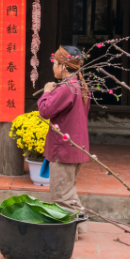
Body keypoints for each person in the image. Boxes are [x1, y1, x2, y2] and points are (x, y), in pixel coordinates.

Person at [38, 45, 91, 237]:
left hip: (65, 149)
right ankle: (81, 229)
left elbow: (45, 111)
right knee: (68, 192)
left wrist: (46, 91)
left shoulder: (67, 88)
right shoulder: (80, 86)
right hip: (77, 147)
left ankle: (67, 236)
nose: (53, 67)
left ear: (62, 66)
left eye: (55, 63)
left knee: (60, 197)